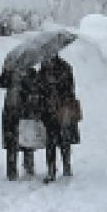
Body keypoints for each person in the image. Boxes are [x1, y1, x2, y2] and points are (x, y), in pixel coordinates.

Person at [37, 54, 80, 183]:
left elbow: (70, 88)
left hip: (62, 109)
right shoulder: (43, 70)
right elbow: (39, 89)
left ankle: (67, 167)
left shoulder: (65, 67)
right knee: (50, 142)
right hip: (48, 110)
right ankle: (51, 170)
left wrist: (56, 84)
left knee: (64, 140)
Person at [0, 65, 39, 180]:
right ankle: (11, 172)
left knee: (27, 141)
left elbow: (35, 88)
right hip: (10, 111)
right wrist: (7, 72)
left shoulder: (31, 72)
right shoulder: (9, 71)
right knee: (11, 142)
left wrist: (24, 84)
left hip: (25, 112)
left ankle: (28, 168)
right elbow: (1, 83)